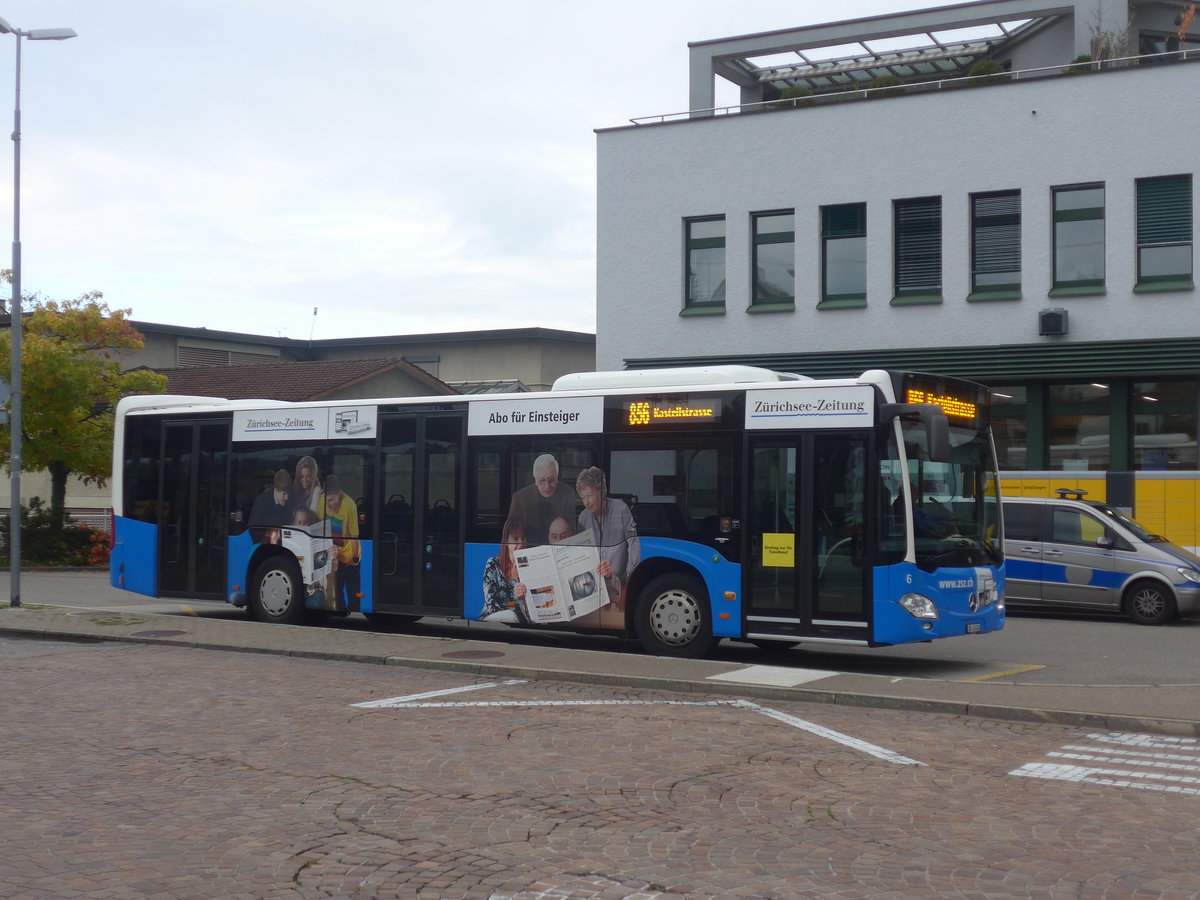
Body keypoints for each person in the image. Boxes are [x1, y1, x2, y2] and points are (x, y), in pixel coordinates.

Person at [576, 466, 640, 610]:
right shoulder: (583, 518)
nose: (586, 502)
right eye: (583, 497)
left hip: (620, 586)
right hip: (593, 588)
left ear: (600, 491)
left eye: (590, 495)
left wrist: (627, 585)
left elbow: (634, 548)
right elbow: (581, 555)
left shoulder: (621, 509)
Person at [507, 453, 577, 546]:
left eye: (551, 480)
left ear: (557, 477)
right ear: (535, 480)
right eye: (542, 481)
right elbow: (510, 531)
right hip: (529, 548)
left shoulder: (567, 493)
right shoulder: (520, 498)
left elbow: (572, 531)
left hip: (559, 548)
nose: (547, 486)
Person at [319, 475, 361, 612]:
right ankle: (341, 613)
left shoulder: (350, 505)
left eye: (331, 500)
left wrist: (354, 560)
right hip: (332, 555)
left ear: (339, 494)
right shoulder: (322, 501)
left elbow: (354, 536)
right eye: (326, 500)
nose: (328, 504)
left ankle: (353, 611)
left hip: (349, 556)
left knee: (353, 590)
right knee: (336, 591)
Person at [481, 517, 530, 623]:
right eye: (516, 539)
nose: (521, 544)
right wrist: (513, 603)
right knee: (510, 616)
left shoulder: (530, 568)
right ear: (506, 542)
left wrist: (522, 600)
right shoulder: (493, 565)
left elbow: (532, 612)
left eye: (523, 538)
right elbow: (491, 603)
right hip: (494, 616)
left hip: (522, 620)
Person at [249, 469, 292, 541]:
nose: (287, 497)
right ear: (276, 490)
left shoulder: (292, 499)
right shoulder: (262, 502)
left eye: (288, 493)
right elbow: (254, 530)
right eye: (284, 494)